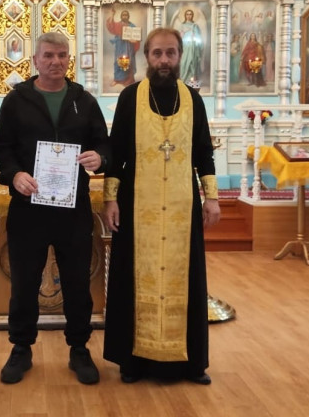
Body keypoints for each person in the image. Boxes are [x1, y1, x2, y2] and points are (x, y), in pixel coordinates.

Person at [102, 27, 220, 386]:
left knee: (189, 280)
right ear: (147, 57)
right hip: (137, 206)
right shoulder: (130, 97)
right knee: (131, 278)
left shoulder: (193, 99)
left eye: (171, 53)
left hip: (183, 206)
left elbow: (204, 151)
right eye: (157, 53)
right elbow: (116, 153)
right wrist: (110, 198)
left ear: (180, 56)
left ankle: (191, 363)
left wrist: (212, 197)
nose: (164, 60)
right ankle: (133, 362)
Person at [0, 32, 110, 386]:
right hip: (28, 208)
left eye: (61, 55)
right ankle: (21, 348)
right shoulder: (16, 101)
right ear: (35, 60)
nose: (55, 61)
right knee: (24, 282)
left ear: (68, 59)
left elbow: (105, 144)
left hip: (73, 209)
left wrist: (99, 158)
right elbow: (1, 148)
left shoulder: (84, 101)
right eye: (48, 55)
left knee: (77, 281)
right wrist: (14, 175)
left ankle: (79, 348)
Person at [106, 8, 141, 87]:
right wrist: (112, 14)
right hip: (120, 45)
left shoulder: (132, 26)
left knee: (129, 62)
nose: (124, 16)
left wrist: (134, 41)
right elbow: (111, 26)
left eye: (126, 15)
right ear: (121, 16)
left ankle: (129, 80)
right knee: (117, 62)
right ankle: (117, 79)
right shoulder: (118, 25)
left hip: (129, 47)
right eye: (123, 15)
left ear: (128, 16)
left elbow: (137, 38)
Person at [177, 9, 203, 84]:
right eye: (187, 14)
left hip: (193, 47)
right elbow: (179, 37)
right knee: (184, 62)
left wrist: (194, 35)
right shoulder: (182, 26)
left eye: (190, 14)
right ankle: (183, 80)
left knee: (192, 62)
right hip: (184, 46)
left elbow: (199, 37)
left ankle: (192, 81)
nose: (189, 16)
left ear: (192, 16)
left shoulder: (195, 26)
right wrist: (183, 33)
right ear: (185, 16)